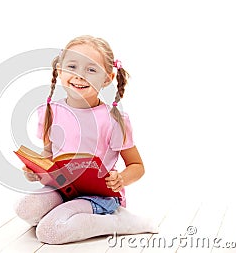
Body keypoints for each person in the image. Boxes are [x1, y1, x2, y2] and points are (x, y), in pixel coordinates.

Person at [14, 35, 158, 244]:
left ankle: (120, 222)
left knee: (49, 232)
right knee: (25, 209)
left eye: (91, 70)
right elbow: (49, 155)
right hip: (63, 187)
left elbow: (137, 165)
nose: (79, 76)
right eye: (72, 66)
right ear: (60, 71)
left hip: (99, 196)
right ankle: (68, 214)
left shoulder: (114, 119)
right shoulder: (50, 112)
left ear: (107, 78)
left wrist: (121, 179)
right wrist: (35, 171)